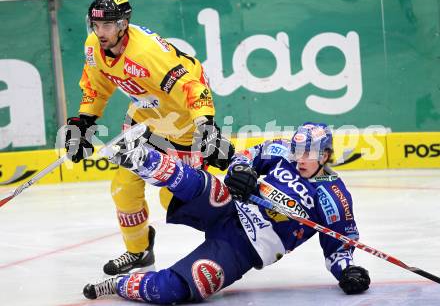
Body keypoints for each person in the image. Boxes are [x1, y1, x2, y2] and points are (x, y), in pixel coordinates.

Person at [82, 122, 370, 302]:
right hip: (230, 208)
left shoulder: (334, 196)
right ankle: (138, 155)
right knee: (200, 185)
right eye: (297, 152)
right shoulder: (280, 152)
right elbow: (244, 158)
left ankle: (117, 285)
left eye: (308, 154)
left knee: (176, 289)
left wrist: (348, 271)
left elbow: (339, 248)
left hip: (242, 249)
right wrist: (241, 171)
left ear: (326, 155)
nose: (300, 159)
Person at [64, 0, 234, 276]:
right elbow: (96, 85)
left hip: (181, 123)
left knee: (176, 200)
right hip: (144, 118)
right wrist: (84, 121)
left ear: (123, 25)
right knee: (123, 188)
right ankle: (139, 252)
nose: (100, 32)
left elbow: (193, 88)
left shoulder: (146, 55)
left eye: (107, 26)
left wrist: (206, 126)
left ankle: (232, 228)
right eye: (96, 25)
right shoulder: (94, 45)